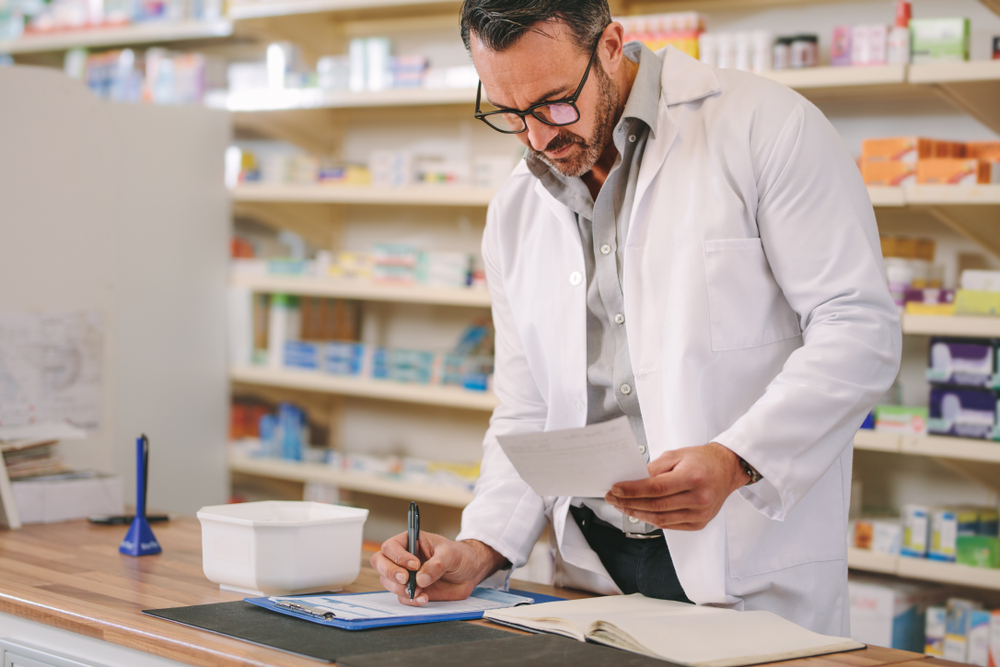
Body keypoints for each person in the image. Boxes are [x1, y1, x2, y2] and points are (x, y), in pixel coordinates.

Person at [373, 0, 901, 635]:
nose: (539, 138)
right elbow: (528, 409)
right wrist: (483, 547)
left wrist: (737, 458)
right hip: (592, 573)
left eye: (553, 103)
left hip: (742, 555)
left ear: (610, 46)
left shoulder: (767, 127)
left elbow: (859, 327)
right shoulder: (516, 208)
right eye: (510, 115)